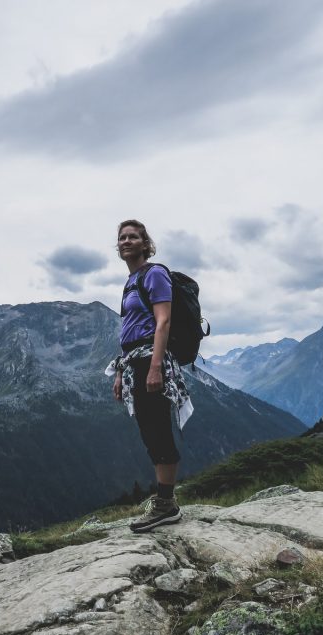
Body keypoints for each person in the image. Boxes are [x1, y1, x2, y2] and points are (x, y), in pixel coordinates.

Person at [106, 219, 192, 532]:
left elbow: (163, 322)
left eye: (133, 237)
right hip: (135, 362)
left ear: (145, 244)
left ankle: (166, 504)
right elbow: (128, 333)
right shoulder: (131, 282)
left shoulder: (154, 274)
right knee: (149, 430)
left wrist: (155, 366)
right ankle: (165, 501)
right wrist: (120, 372)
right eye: (122, 237)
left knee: (157, 428)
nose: (126, 241)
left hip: (150, 361)